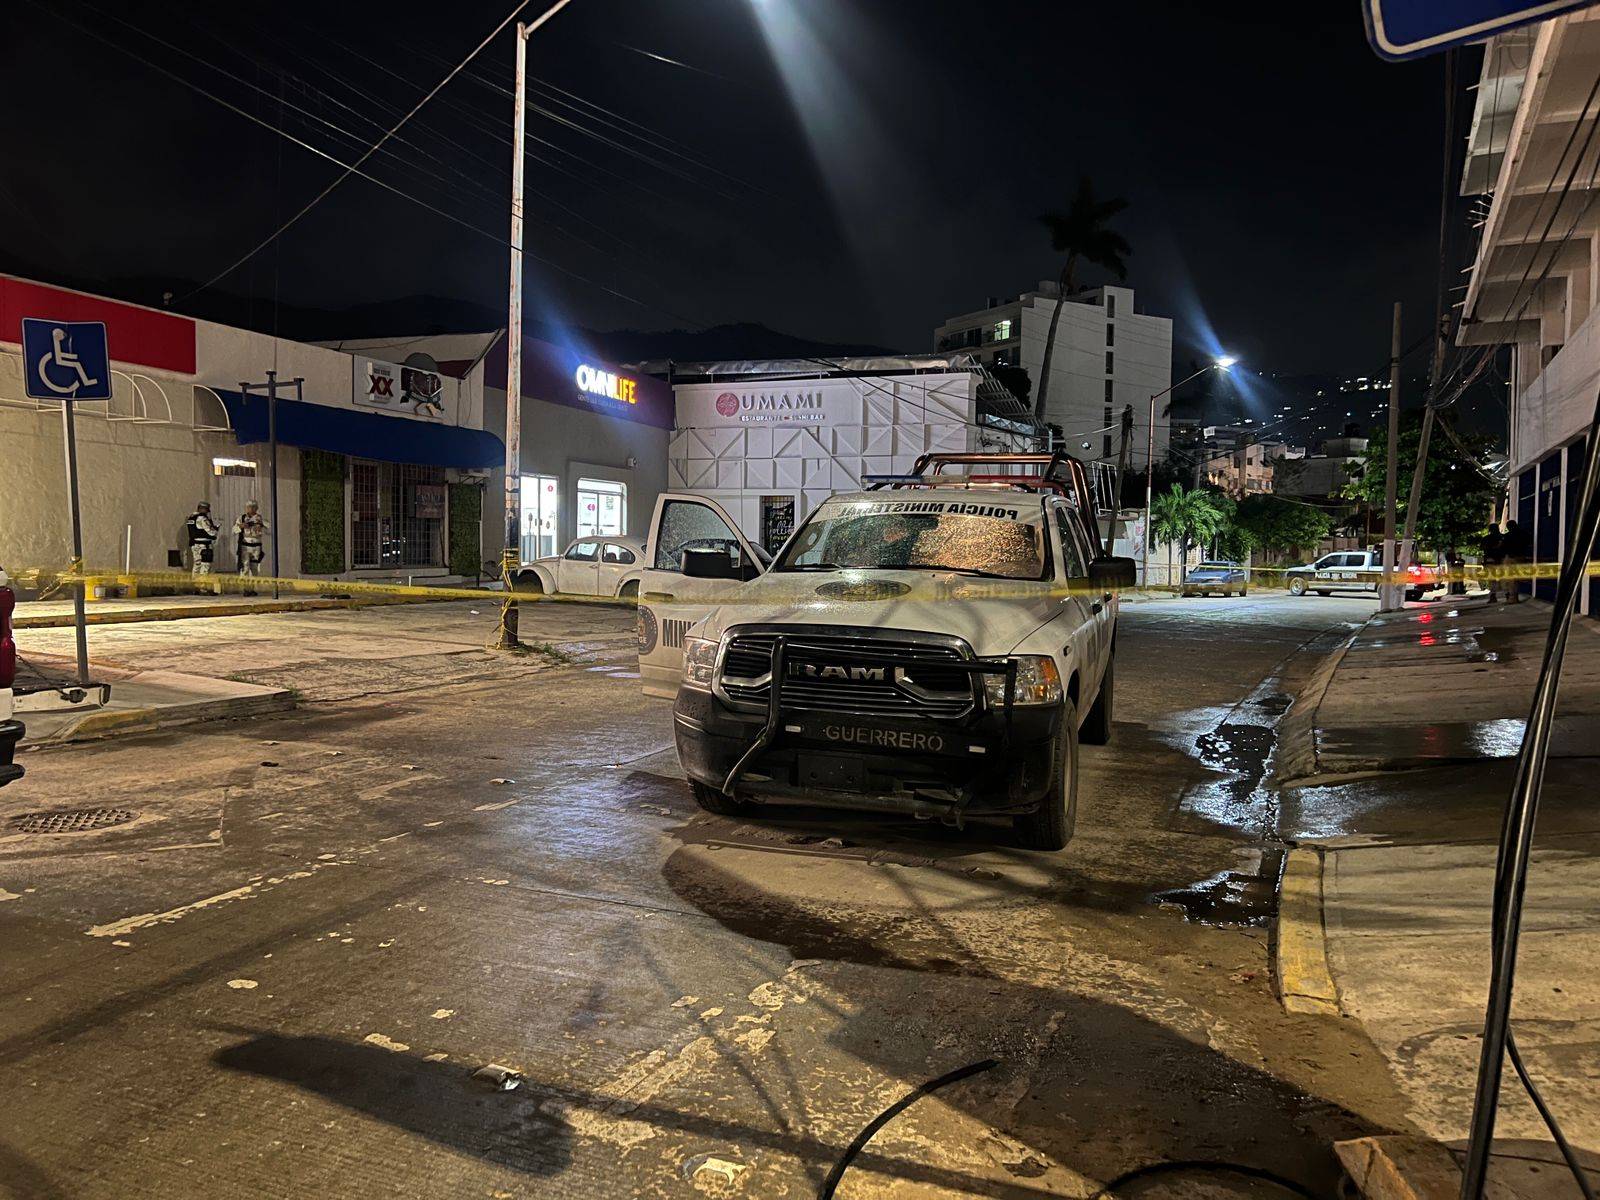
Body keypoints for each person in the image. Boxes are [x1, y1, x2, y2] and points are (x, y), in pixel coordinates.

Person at [233, 500, 270, 582]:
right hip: (245, 545)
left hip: (256, 546)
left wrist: (261, 524)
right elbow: (234, 530)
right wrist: (241, 526)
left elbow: (269, 530)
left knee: (255, 568)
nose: (251, 509)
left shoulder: (260, 518)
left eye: (253, 507)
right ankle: (246, 588)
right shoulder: (241, 518)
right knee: (245, 566)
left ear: (257, 508)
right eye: (249, 507)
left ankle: (252, 588)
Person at [186, 501, 219, 581]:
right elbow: (211, 532)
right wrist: (216, 528)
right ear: (203, 509)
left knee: (197, 565)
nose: (208, 512)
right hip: (204, 545)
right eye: (207, 510)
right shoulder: (202, 518)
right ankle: (203, 586)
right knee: (205, 565)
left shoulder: (191, 517)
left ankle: (195, 585)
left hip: (195, 545)